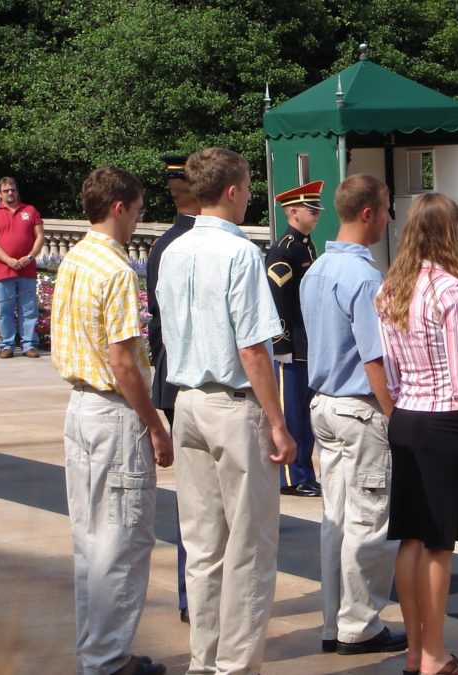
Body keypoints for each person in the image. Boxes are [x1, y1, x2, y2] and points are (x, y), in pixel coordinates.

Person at [156, 147, 296, 675]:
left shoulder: (173, 251)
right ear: (234, 191)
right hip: (233, 406)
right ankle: (235, 667)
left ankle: (204, 661)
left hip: (187, 401)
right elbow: (252, 349)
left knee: (202, 546)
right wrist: (278, 422)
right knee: (250, 548)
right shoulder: (239, 255)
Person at [50, 166, 173, 675]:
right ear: (120, 207)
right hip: (113, 413)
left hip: (80, 408)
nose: (139, 219)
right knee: (121, 539)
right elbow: (124, 361)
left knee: (90, 538)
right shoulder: (118, 270)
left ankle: (97, 651)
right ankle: (108, 658)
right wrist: (155, 424)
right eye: (139, 210)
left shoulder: (76, 258)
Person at [376, 192, 458, 675]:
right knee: (438, 543)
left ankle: (414, 650)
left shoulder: (389, 290)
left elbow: (391, 369)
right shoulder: (449, 289)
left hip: (406, 416)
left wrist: (404, 409)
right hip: (444, 419)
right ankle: (434, 654)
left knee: (409, 538)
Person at [298, 174, 407, 659]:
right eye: (386, 209)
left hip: (323, 404)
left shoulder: (316, 269)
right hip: (360, 410)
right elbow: (374, 358)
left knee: (335, 521)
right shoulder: (364, 277)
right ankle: (359, 625)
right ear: (368, 214)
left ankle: (334, 620)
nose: (388, 219)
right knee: (367, 521)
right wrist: (395, 416)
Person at [144, 153, 198, 624]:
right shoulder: (195, 245)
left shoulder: (163, 245)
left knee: (192, 495)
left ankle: (190, 595)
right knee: (206, 500)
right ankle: (196, 593)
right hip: (196, 382)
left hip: (172, 380)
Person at [267, 180, 323, 498]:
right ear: (293, 211)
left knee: (304, 413)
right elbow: (278, 302)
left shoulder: (305, 245)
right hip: (292, 347)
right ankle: (290, 475)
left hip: (307, 343)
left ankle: (304, 471)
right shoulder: (284, 250)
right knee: (292, 415)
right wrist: (282, 345)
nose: (315, 215)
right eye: (310, 209)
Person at [0, 177, 44, 359]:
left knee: (28, 309)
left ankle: (29, 345)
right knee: (4, 310)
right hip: (3, 270)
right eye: (6, 191)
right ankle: (7, 344)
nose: (10, 193)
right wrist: (8, 260)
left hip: (27, 269)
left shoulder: (30, 210)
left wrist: (30, 257)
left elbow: (40, 237)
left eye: (13, 190)